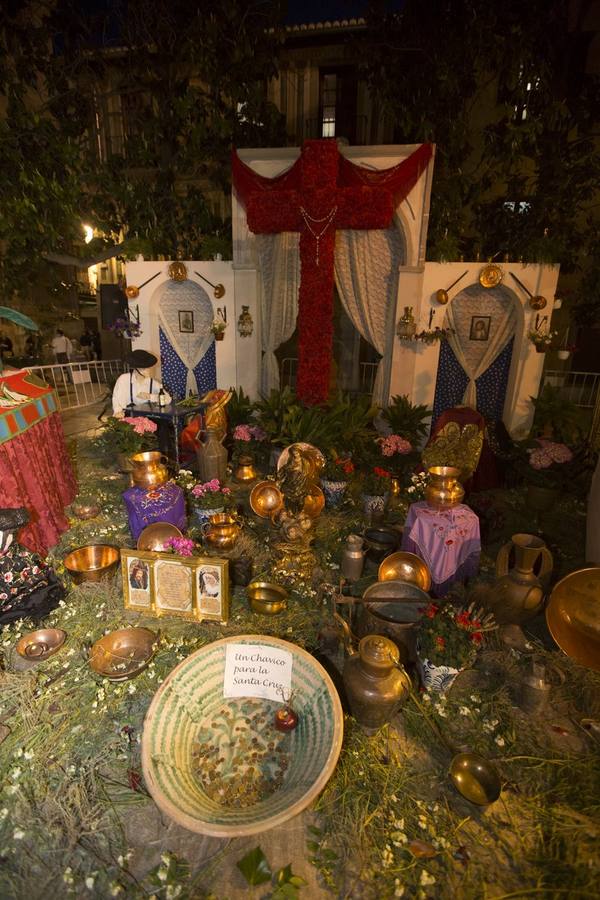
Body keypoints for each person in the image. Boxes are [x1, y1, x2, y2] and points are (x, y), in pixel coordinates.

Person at [112, 349, 171, 417]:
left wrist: (150, 396)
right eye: (145, 368)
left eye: (149, 367)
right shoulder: (124, 379)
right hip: (128, 417)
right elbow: (117, 400)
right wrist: (119, 412)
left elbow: (168, 399)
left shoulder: (153, 383)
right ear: (137, 369)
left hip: (148, 418)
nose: (150, 370)